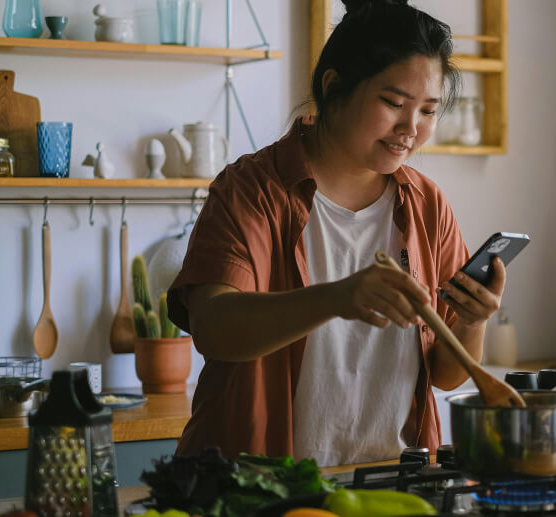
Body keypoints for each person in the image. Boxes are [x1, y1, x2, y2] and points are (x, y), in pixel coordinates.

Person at [166, 0, 506, 466]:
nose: (411, 128)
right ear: (333, 87)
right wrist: (337, 298)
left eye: (428, 110)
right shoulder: (252, 189)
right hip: (261, 487)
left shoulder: (427, 204)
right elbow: (214, 329)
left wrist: (472, 320)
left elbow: (447, 375)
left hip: (390, 483)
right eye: (393, 103)